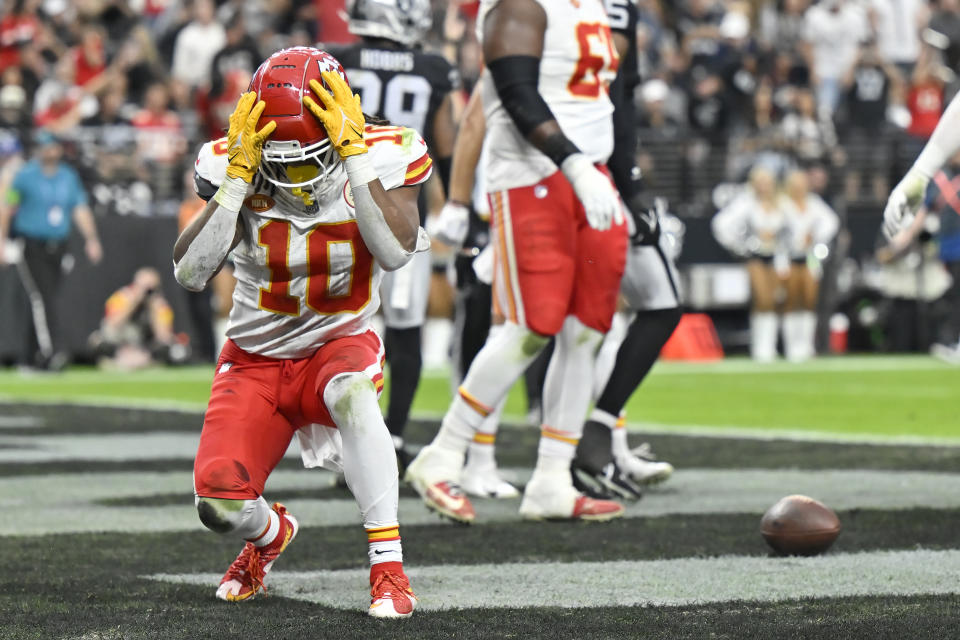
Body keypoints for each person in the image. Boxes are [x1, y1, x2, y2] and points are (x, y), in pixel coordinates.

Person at [173, 47, 429, 618]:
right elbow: (189, 275)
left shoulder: (386, 153)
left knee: (355, 397)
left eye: (308, 159)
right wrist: (236, 184)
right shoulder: (230, 160)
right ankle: (270, 535)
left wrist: (356, 161)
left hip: (338, 343)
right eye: (278, 163)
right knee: (217, 506)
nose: (294, 178)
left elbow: (394, 253)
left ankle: (388, 569)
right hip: (256, 357)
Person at [405, 0, 628, 523]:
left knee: (589, 328)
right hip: (533, 176)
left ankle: (553, 478)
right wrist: (574, 165)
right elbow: (513, 89)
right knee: (531, 325)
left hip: (591, 173)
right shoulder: (520, 5)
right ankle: (443, 455)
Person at [330, 0, 460, 472]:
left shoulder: (334, 59)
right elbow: (446, 147)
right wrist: (460, 203)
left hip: (338, 210)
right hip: (402, 214)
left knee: (335, 329)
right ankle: (397, 440)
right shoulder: (432, 68)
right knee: (406, 335)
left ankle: (342, 445)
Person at [0, 130, 102, 370]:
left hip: (59, 246)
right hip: (31, 244)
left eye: (52, 146)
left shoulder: (68, 176)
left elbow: (79, 208)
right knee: (40, 297)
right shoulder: (25, 176)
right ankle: (50, 352)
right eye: (44, 147)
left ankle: (39, 353)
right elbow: (8, 207)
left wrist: (91, 238)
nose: (49, 151)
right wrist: (2, 241)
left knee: (50, 298)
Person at [712, 166, 788, 362]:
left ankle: (770, 346)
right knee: (762, 300)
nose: (764, 187)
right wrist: (742, 245)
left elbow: (794, 228)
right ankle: (760, 348)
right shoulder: (746, 203)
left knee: (775, 301)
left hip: (777, 257)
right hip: (755, 256)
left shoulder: (781, 203)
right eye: (761, 183)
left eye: (768, 183)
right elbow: (721, 224)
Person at [781, 169, 839, 362]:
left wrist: (815, 236)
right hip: (788, 257)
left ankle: (806, 345)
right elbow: (776, 228)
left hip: (810, 257)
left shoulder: (814, 203)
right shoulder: (783, 204)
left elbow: (831, 222)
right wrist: (794, 241)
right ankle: (790, 346)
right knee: (790, 300)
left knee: (808, 299)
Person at [90, 266, 181, 369]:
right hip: (121, 342)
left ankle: (144, 361)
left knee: (170, 347)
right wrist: (134, 302)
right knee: (97, 340)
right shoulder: (122, 297)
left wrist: (154, 308)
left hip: (144, 346)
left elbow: (164, 337)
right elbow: (112, 324)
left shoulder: (160, 306)